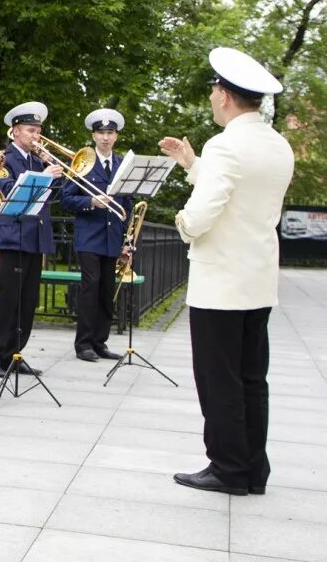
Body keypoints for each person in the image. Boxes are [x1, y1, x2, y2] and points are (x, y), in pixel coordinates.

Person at [161, 47, 293, 497]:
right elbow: (238, 191)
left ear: (224, 96)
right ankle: (254, 468)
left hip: (220, 284)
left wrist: (182, 220)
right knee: (252, 378)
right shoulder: (276, 143)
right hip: (257, 280)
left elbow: (202, 215)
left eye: (215, 89)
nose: (213, 96)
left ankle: (227, 468)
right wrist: (193, 165)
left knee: (219, 380)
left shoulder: (226, 145)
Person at [0, 101, 64, 377]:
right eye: (30, 130)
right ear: (15, 131)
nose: (36, 136)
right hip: (14, 237)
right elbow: (9, 191)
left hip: (36, 238)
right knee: (6, 300)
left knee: (27, 301)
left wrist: (57, 173)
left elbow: (57, 196)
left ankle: (13, 353)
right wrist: (43, 176)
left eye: (38, 130)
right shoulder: (4, 160)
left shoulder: (38, 161)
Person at [61, 108, 131, 363]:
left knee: (106, 290)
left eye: (110, 132)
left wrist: (127, 241)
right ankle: (84, 344)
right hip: (89, 237)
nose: (105, 137)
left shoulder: (123, 163)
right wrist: (91, 201)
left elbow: (128, 205)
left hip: (112, 237)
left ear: (116, 136)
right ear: (93, 135)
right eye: (101, 132)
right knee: (90, 289)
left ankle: (100, 342)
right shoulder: (83, 161)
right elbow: (66, 199)